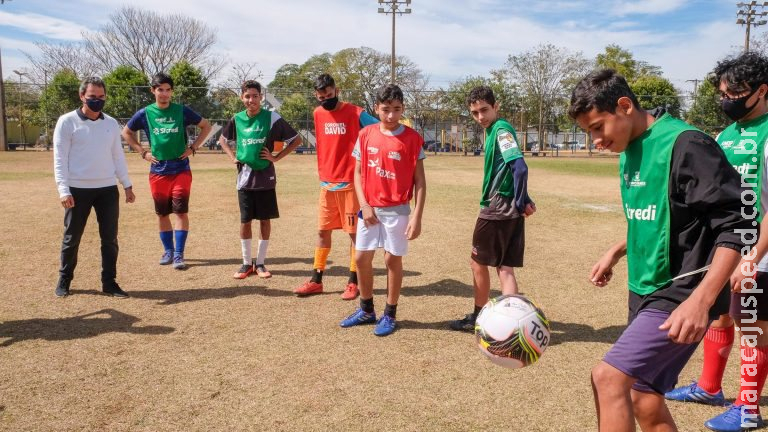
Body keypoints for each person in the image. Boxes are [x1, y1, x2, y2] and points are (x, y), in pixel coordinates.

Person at [568, 69, 750, 432]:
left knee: (608, 378)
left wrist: (700, 301)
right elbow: (663, 216)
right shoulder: (629, 149)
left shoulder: (686, 144)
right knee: (643, 397)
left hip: (681, 292)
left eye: (598, 128)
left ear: (624, 106)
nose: (595, 141)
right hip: (644, 288)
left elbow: (738, 223)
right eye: (588, 133)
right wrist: (619, 250)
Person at [665, 51, 768, 432]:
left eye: (735, 92)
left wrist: (752, 257)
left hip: (761, 249)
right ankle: (709, 387)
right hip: (729, 244)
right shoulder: (727, 135)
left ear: (761, 90)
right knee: (721, 313)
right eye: (722, 93)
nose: (727, 100)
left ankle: (748, 408)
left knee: (754, 324)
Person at [338, 84, 426, 337]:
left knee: (391, 259)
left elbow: (420, 182)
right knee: (361, 258)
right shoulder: (365, 134)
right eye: (385, 110)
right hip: (369, 210)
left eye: (396, 110)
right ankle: (366, 310)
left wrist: (416, 217)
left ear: (403, 109)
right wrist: (364, 205)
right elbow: (357, 173)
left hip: (397, 211)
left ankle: (390, 313)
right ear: (376, 108)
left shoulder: (412, 138)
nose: (390, 116)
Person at [449, 86, 536, 332]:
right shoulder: (495, 130)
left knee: (477, 262)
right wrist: (524, 199)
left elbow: (519, 168)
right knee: (504, 266)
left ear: (496, 106)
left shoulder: (500, 130)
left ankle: (479, 316)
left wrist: (519, 201)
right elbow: (512, 171)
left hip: (496, 207)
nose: (480, 117)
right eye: (475, 113)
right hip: (508, 206)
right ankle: (512, 326)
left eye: (484, 110)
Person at [293, 74, 379, 299]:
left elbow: (380, 128)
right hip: (326, 184)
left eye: (329, 95)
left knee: (354, 234)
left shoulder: (355, 112)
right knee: (322, 231)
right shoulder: (317, 113)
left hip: (350, 184)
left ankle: (354, 282)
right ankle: (316, 279)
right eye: (321, 97)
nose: (325, 100)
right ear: (316, 95)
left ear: (336, 90)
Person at [53, 77, 135, 298]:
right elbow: (60, 159)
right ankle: (64, 279)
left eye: (101, 97)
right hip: (77, 189)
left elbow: (117, 156)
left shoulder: (110, 123)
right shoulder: (67, 121)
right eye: (92, 97)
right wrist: (64, 190)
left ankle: (109, 282)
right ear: (82, 96)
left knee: (110, 238)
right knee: (72, 237)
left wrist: (126, 184)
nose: (97, 101)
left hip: (107, 190)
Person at [121, 72, 212, 270]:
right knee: (162, 214)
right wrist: (142, 152)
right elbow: (126, 132)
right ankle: (168, 251)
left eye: (168, 90)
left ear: (172, 92)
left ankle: (179, 254)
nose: (164, 94)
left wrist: (193, 147)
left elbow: (206, 126)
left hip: (181, 169)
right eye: (160, 90)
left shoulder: (181, 111)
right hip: (158, 170)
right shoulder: (145, 113)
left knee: (180, 211)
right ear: (153, 91)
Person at [218, 80, 303, 279]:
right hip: (245, 178)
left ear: (261, 97)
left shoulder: (272, 118)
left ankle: (261, 264)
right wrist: (233, 157)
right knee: (245, 220)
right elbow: (223, 140)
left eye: (255, 96)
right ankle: (246, 263)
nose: (251, 100)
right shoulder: (237, 118)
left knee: (265, 220)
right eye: (247, 96)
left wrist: (276, 157)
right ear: (242, 98)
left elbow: (296, 140)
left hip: (265, 176)